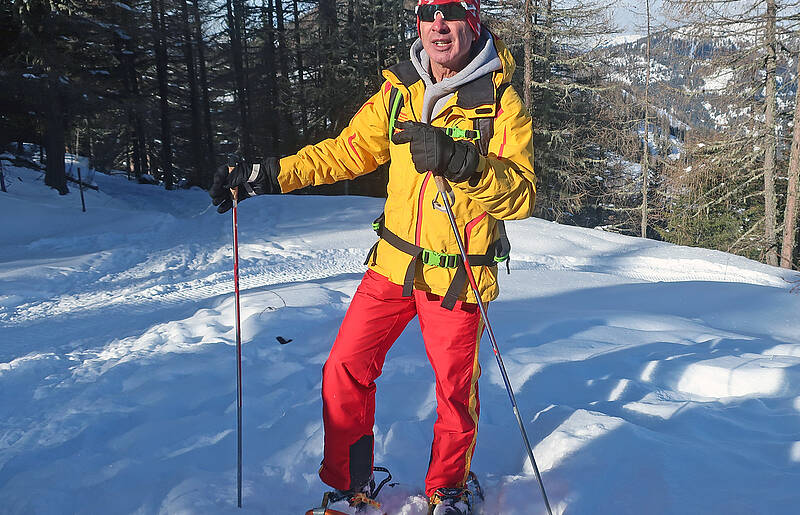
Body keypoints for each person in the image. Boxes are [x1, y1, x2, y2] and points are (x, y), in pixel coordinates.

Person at [209, 1, 534, 513]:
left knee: (454, 392)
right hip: (392, 265)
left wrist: (462, 162)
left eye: (449, 12)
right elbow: (345, 152)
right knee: (345, 368)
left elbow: (520, 197)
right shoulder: (398, 91)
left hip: (457, 274)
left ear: (471, 21)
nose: (437, 25)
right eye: (428, 14)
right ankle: (349, 486)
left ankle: (447, 489)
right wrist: (268, 175)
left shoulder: (498, 102)